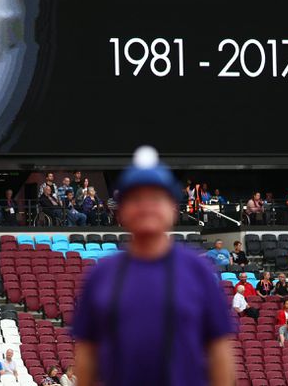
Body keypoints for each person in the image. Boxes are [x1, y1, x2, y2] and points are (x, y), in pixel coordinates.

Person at [72, 147, 235, 386]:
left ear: (173, 209)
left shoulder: (198, 271)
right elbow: (87, 353)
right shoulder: (101, 275)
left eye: (157, 198)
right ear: (121, 211)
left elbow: (219, 349)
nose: (146, 207)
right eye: (136, 199)